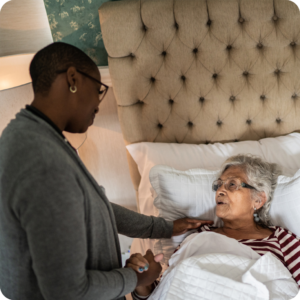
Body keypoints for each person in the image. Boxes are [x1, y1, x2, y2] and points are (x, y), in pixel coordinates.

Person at [0, 42, 213, 300]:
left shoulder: (38, 138)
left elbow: (95, 207)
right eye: (99, 89)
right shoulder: (41, 160)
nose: (98, 103)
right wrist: (136, 278)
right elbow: (67, 291)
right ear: (73, 79)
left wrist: (164, 228)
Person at [132, 154, 300, 299]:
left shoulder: (282, 238)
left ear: (258, 199)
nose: (219, 190)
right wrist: (142, 281)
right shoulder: (198, 238)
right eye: (218, 185)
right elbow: (169, 290)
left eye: (232, 184)